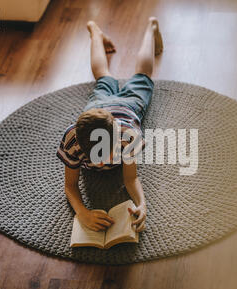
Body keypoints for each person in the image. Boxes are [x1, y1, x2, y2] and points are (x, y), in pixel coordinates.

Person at [57, 17, 163, 233]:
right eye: (99, 157)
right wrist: (82, 212)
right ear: (81, 145)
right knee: (103, 76)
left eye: (112, 153)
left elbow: (130, 177)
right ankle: (95, 30)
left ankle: (151, 26)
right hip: (98, 106)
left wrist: (142, 204)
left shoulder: (129, 136)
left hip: (128, 107)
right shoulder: (71, 140)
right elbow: (70, 185)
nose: (108, 161)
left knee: (142, 75)